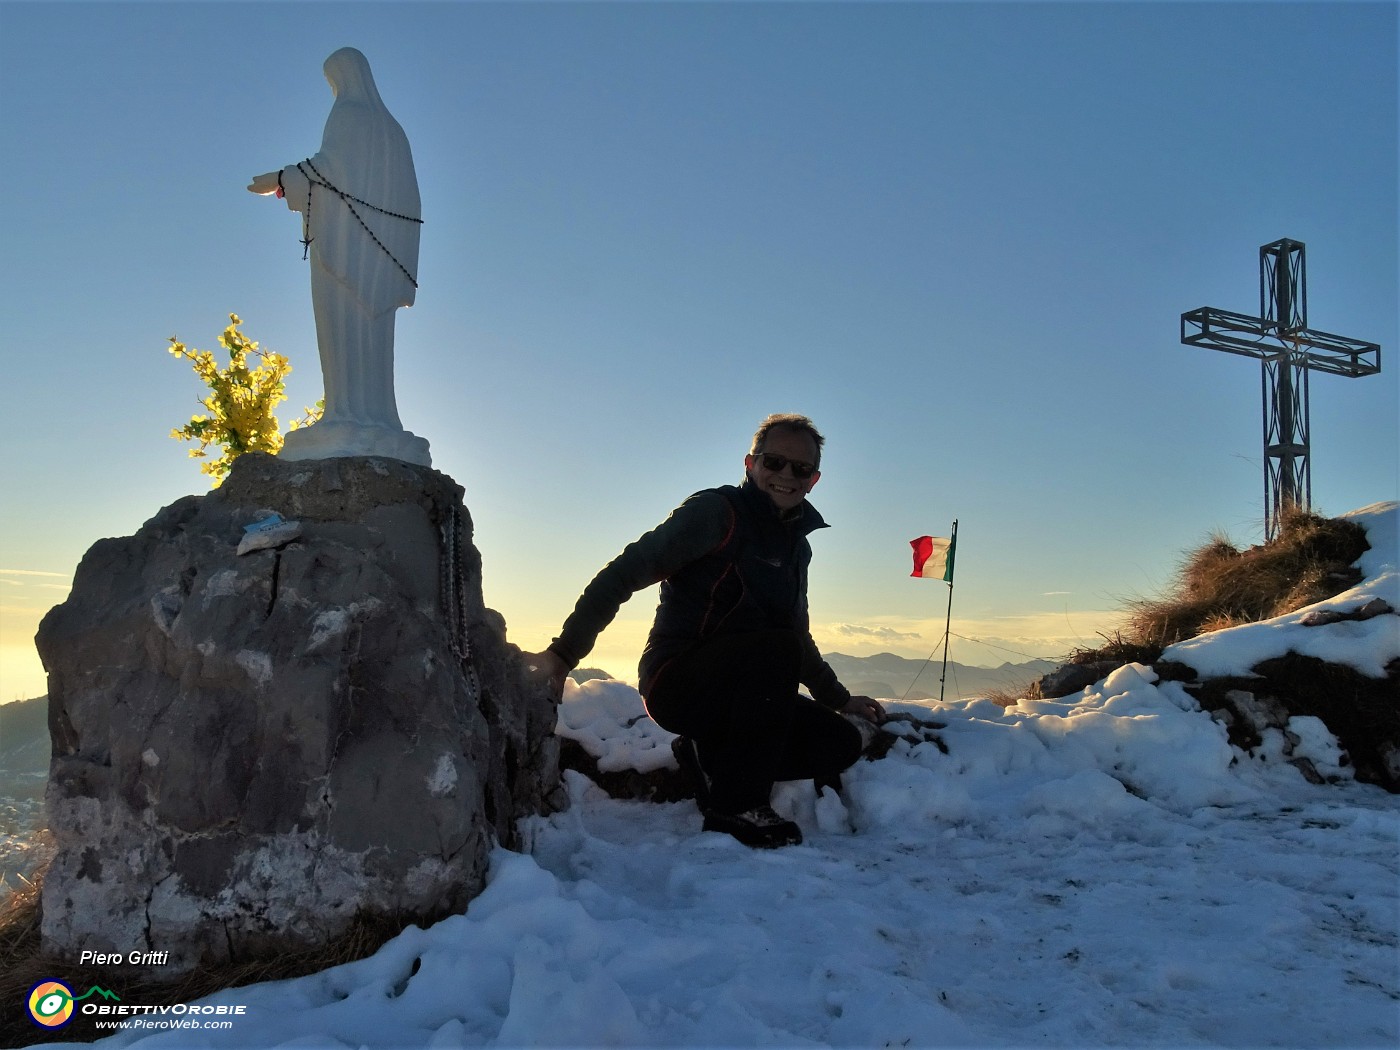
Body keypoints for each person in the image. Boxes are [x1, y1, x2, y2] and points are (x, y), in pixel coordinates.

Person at [529, 414, 885, 849]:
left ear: (814, 479)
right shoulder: (717, 514)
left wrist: (840, 700)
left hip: (746, 691)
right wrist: (565, 653)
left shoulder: (797, 547)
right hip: (678, 681)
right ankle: (735, 805)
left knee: (838, 742)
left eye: (801, 469)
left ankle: (709, 758)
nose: (786, 476)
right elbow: (625, 572)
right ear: (750, 463)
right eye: (774, 462)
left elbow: (797, 636)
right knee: (775, 648)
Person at [248, 47, 427, 463]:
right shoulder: (393, 130)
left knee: (341, 326)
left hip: (347, 246)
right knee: (375, 337)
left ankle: (345, 413)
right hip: (380, 256)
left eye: (332, 80)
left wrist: (278, 179)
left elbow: (330, 171)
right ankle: (378, 418)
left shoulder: (347, 114)